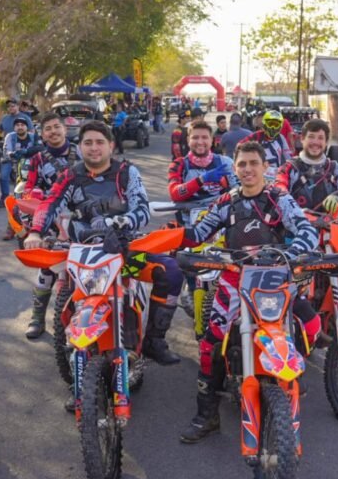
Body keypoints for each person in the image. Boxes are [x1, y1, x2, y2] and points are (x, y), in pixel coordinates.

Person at [178, 141, 321, 443]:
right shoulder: (225, 202)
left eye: (254, 163)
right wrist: (173, 237)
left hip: (277, 278)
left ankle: (292, 371)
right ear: (235, 168)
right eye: (242, 164)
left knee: (311, 325)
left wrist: (292, 252)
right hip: (233, 280)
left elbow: (308, 230)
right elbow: (197, 233)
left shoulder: (279, 198)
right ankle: (207, 415)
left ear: (265, 167)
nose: (248, 169)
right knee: (210, 344)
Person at [24, 121, 184, 388]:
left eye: (100, 142)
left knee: (171, 271)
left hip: (125, 251)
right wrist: (35, 232)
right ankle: (70, 353)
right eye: (88, 143)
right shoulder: (70, 175)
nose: (94, 148)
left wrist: (122, 221)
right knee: (58, 284)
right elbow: (50, 203)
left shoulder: (126, 172)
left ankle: (154, 340)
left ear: (111, 145)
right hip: (82, 253)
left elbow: (142, 207)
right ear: (79, 147)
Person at [21, 112, 82, 339]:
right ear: (42, 134)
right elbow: (29, 188)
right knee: (46, 269)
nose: (53, 132)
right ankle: (37, 317)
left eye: (57, 127)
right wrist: (34, 198)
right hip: (50, 220)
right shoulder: (37, 159)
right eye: (48, 128)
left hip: (84, 219)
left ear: (65, 129)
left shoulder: (83, 151)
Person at [168, 119, 237, 313]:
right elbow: (175, 193)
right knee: (176, 261)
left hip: (222, 222)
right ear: (188, 140)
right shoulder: (179, 164)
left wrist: (229, 186)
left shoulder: (225, 162)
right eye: (195, 137)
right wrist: (201, 180)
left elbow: (240, 190)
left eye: (204, 137)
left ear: (212, 140)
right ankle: (190, 286)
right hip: (189, 223)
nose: (200, 142)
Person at [276, 118, 338, 213]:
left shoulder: (335, 168)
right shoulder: (288, 167)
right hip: (298, 220)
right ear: (302, 139)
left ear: (326, 142)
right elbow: (279, 191)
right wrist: (297, 211)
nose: (315, 142)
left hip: (331, 221)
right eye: (311, 137)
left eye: (320, 138)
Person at [1, 117, 41, 235]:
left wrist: (27, 152)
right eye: (17, 125)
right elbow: (6, 150)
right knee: (16, 199)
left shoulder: (33, 136)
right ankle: (11, 227)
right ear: (14, 128)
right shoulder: (10, 137)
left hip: (35, 169)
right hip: (18, 170)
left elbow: (41, 148)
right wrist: (12, 154)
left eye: (22, 125)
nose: (20, 127)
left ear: (27, 127)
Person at [239, 109, 292, 178]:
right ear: (265, 124)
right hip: (260, 176)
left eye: (276, 125)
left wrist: (286, 169)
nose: (273, 127)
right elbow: (239, 146)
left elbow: (288, 157)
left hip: (276, 175)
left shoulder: (281, 138)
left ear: (280, 126)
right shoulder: (257, 136)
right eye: (270, 124)